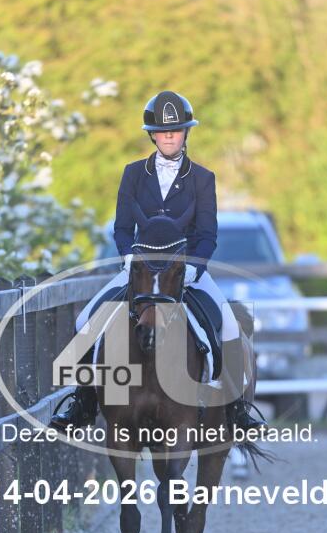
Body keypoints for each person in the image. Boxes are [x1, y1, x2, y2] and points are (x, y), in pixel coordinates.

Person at [50, 91, 265, 435]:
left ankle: (237, 410)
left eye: (175, 131)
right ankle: (84, 402)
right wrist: (128, 258)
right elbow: (122, 228)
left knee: (228, 325)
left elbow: (207, 234)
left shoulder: (203, 178)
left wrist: (194, 268)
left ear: (185, 133)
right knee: (85, 320)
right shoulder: (134, 174)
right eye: (162, 132)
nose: (168, 137)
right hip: (140, 272)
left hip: (187, 272)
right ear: (152, 135)